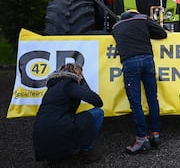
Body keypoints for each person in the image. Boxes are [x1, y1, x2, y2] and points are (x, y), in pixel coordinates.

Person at [111, 9, 168, 154]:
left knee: (136, 103)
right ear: (135, 14)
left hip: (130, 63)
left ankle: (142, 139)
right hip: (148, 61)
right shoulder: (142, 19)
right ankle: (155, 135)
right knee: (152, 99)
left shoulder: (116, 27)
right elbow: (162, 33)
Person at [32, 63, 104, 164]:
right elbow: (97, 101)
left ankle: (57, 154)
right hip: (58, 132)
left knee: (71, 118)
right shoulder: (68, 84)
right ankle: (86, 151)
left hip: (41, 142)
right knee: (98, 113)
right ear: (74, 73)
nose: (82, 77)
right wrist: (82, 83)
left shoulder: (53, 87)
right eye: (80, 74)